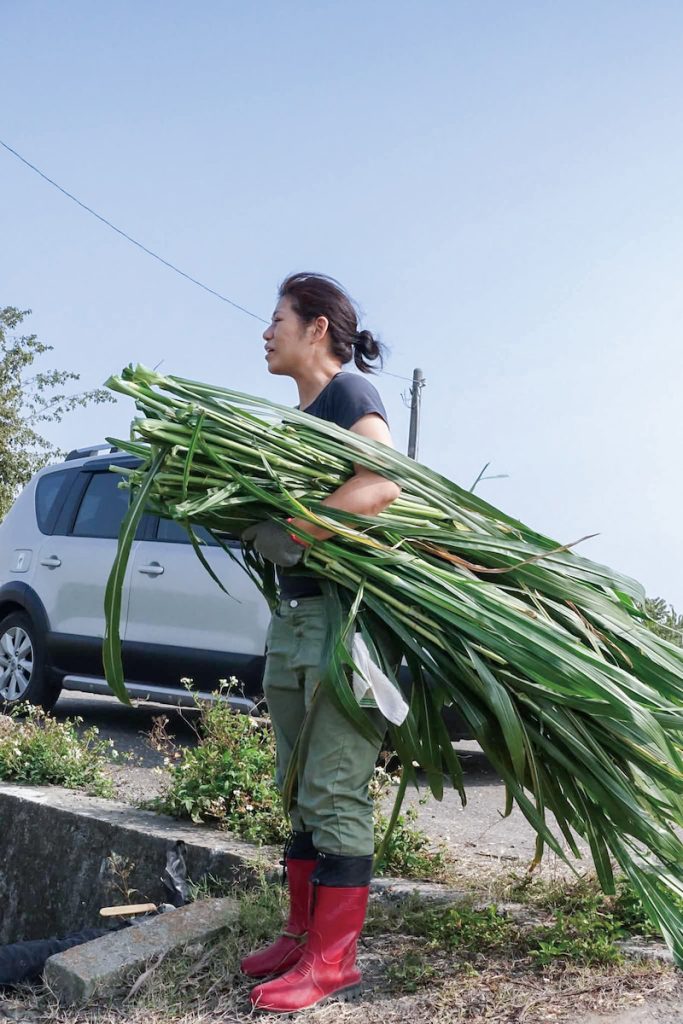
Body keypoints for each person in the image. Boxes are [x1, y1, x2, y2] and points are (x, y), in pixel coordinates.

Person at [240, 273, 401, 1014]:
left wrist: (295, 531)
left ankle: (332, 963)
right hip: (295, 620)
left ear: (315, 328)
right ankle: (302, 936)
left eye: (276, 319)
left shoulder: (349, 395)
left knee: (332, 788)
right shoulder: (299, 415)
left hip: (343, 623)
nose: (265, 332)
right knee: (297, 784)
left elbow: (379, 486)